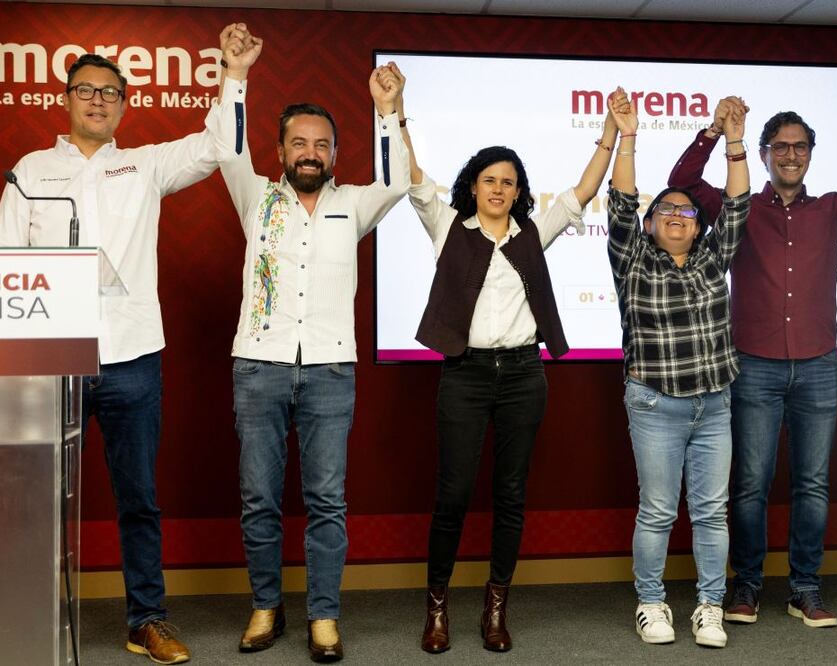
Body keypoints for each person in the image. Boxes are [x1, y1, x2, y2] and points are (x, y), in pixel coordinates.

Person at [0, 27, 247, 665]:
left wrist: (234, 74)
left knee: (139, 494)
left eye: (110, 93)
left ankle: (146, 620)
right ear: (66, 100)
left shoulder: (144, 166)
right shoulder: (30, 172)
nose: (98, 101)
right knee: (31, 496)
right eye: (86, 91)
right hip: (49, 356)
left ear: (123, 105)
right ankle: (27, 616)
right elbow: (8, 262)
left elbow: (221, 143)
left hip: (133, 354)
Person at [382, 63, 617, 653]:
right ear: (473, 185)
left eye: (508, 181)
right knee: (453, 493)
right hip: (462, 376)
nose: (497, 189)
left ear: (518, 190)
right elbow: (410, 174)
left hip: (521, 375)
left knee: (511, 495)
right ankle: (437, 610)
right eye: (488, 179)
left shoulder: (534, 232)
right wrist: (396, 109)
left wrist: (612, 133)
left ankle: (495, 609)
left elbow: (585, 191)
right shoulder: (447, 223)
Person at [667, 64, 837, 628]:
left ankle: (805, 589)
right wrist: (718, 131)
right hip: (754, 366)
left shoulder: (831, 212)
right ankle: (745, 587)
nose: (790, 155)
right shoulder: (739, 209)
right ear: (766, 154)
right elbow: (682, 181)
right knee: (749, 484)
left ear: (810, 154)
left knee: (813, 483)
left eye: (800, 146)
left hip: (819, 366)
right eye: (780, 146)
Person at [215, 27, 409, 663]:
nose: (311, 151)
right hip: (260, 367)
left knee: (328, 500)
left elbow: (399, 180)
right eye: (299, 142)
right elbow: (228, 145)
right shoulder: (256, 197)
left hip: (329, 370)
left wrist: (388, 112)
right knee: (258, 498)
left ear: (333, 154)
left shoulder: (351, 204)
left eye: (322, 144)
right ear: (280, 149)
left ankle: (323, 617)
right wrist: (236, 73)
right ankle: (266, 606)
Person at [607, 88, 750, 648]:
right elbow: (620, 202)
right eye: (663, 210)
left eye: (686, 210)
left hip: (715, 404)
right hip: (655, 404)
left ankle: (709, 608)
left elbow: (736, 206)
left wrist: (734, 138)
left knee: (712, 513)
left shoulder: (715, 256)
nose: (676, 216)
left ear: (697, 224)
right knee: (659, 511)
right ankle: (651, 603)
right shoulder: (632, 259)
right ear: (649, 224)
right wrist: (629, 136)